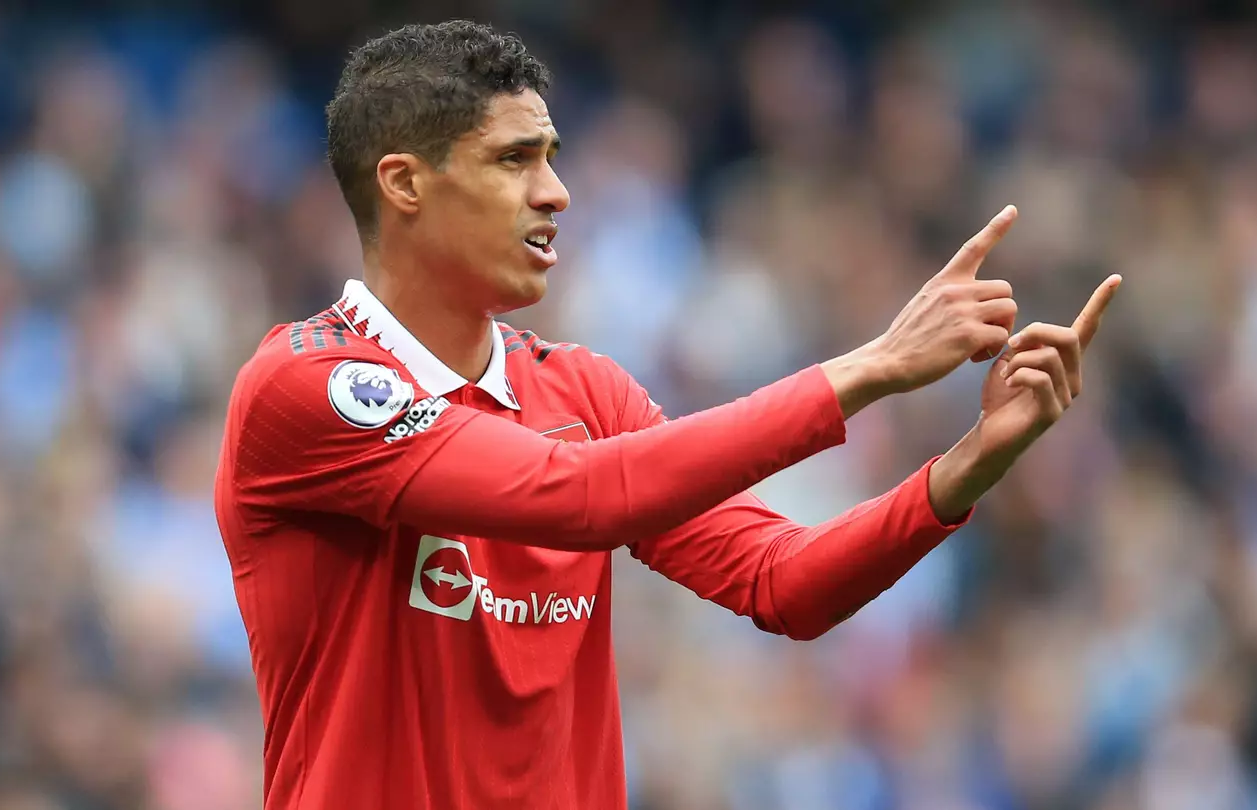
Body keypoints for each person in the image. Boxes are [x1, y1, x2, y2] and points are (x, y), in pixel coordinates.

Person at [213, 18, 1121, 810]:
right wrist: (871, 369)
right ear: (405, 184)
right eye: (513, 159)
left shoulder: (585, 392)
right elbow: (579, 498)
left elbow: (784, 583)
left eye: (553, 158)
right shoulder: (307, 388)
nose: (555, 193)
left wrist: (967, 466)